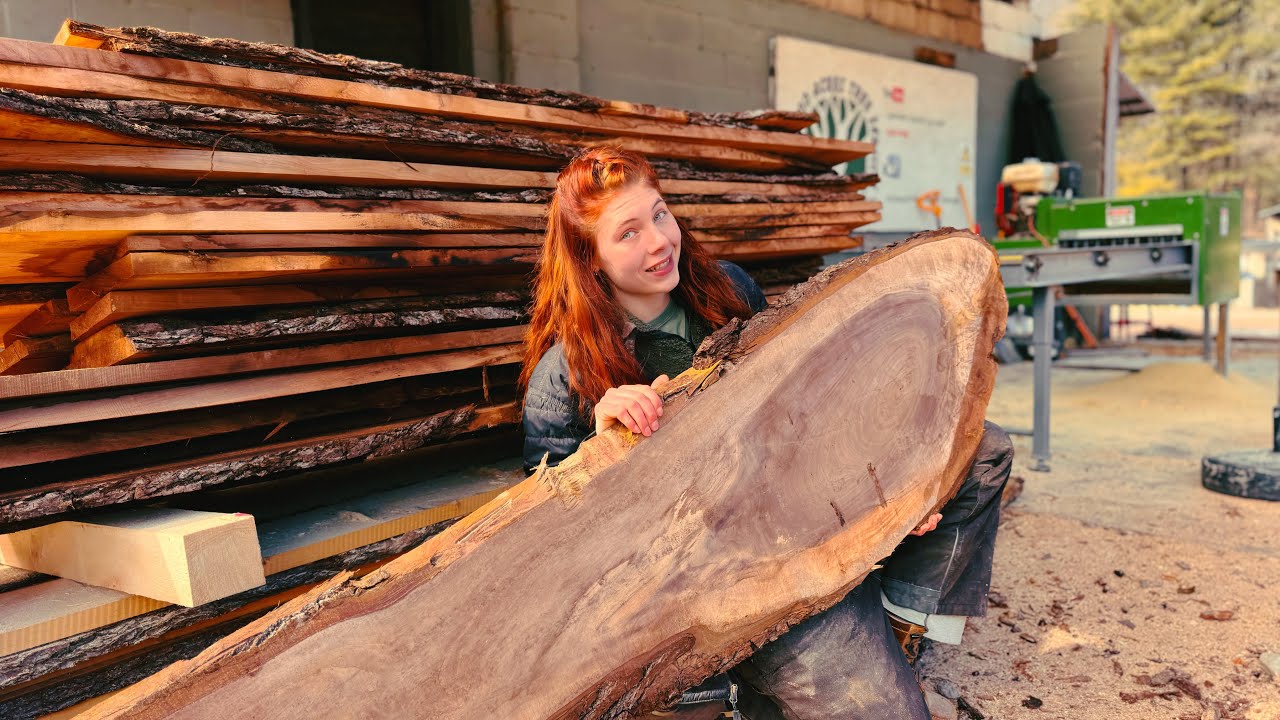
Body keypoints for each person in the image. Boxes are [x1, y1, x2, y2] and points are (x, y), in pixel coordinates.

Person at [520, 147, 1013, 719]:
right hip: (714, 583)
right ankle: (733, 687)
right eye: (627, 233)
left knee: (981, 451)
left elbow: (803, 412)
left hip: (795, 515)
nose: (658, 240)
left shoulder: (726, 290)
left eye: (659, 214)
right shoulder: (566, 375)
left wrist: (902, 489)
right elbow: (548, 549)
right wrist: (598, 449)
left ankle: (899, 626)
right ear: (592, 260)